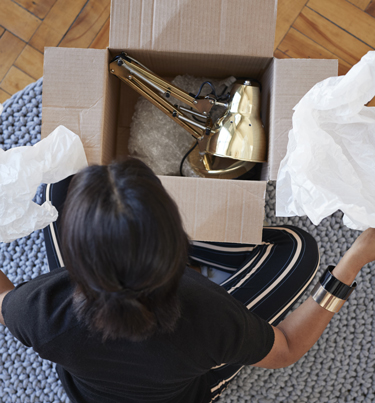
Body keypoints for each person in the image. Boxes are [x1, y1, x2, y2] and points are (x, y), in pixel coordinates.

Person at [0, 157, 373, 403]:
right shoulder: (207, 312)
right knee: (299, 248)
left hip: (93, 386)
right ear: (177, 237)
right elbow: (288, 347)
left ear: (76, 254)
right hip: (187, 384)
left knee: (56, 184)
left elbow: (3, 303)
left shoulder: (41, 308)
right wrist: (352, 262)